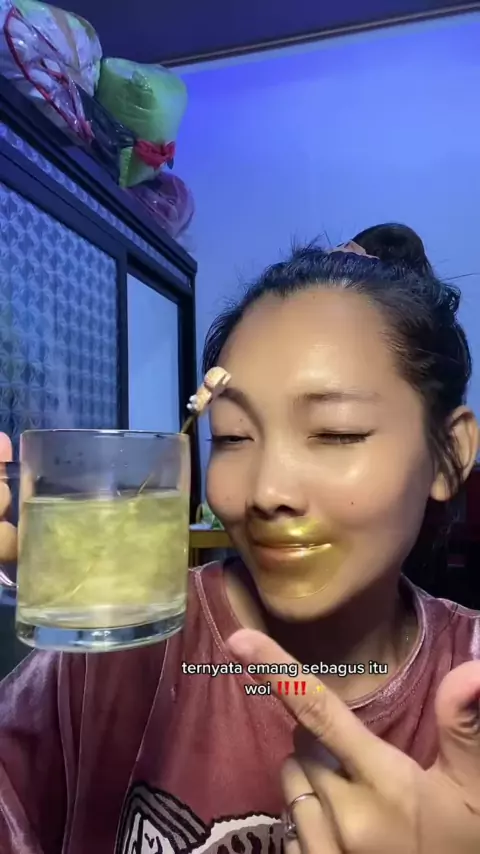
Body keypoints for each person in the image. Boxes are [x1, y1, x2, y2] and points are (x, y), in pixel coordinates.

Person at [0, 224, 479, 854]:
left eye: (336, 433)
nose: (266, 491)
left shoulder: (469, 681)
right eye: (231, 437)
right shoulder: (122, 633)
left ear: (450, 454)